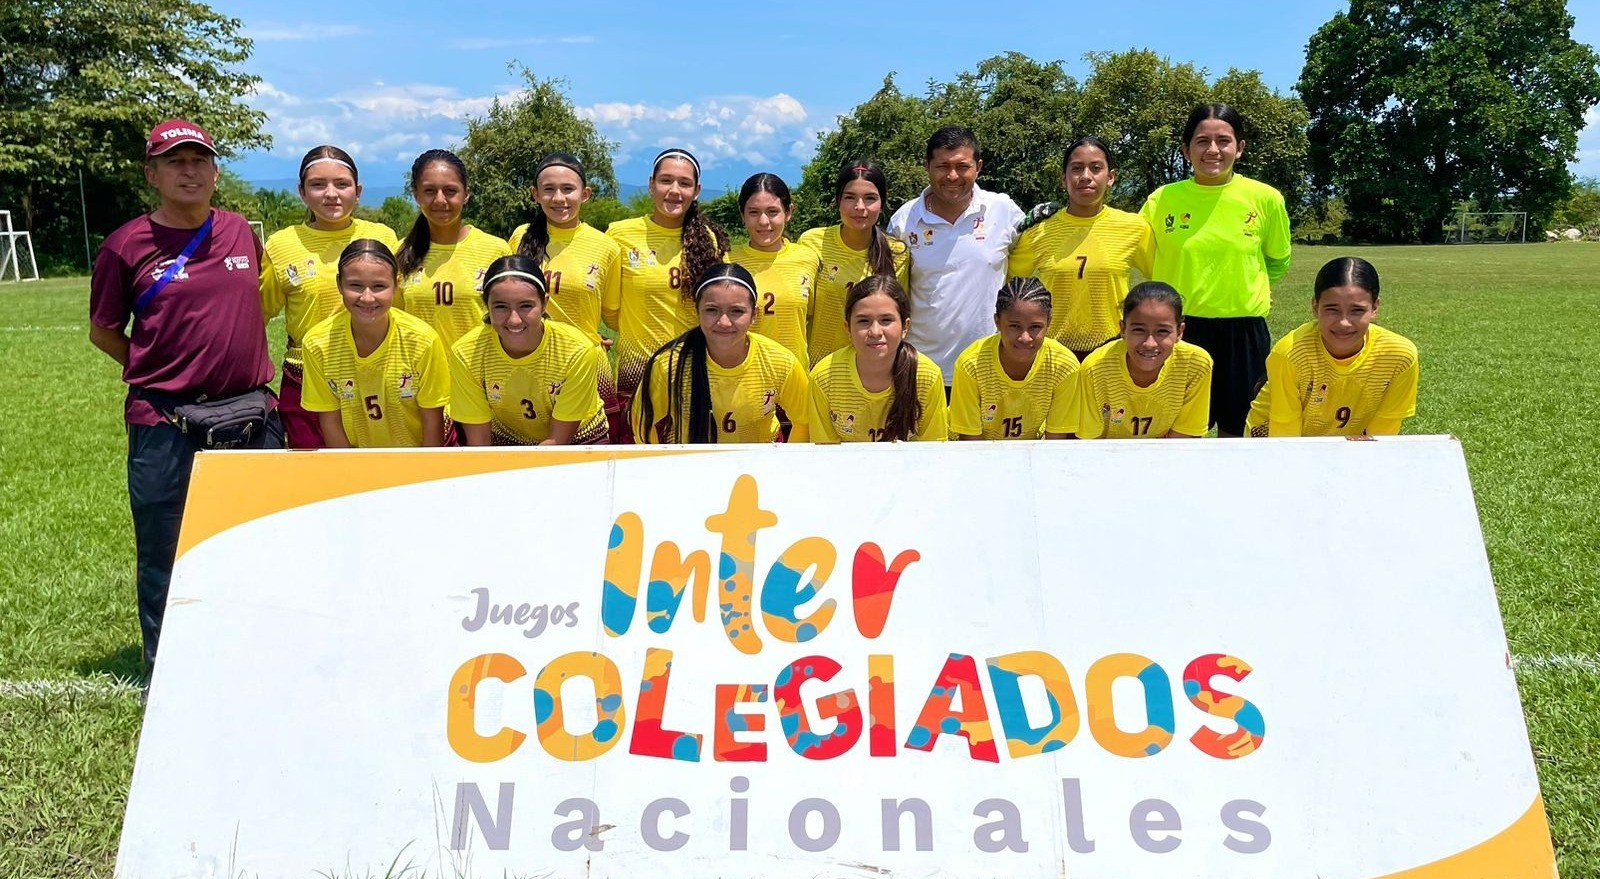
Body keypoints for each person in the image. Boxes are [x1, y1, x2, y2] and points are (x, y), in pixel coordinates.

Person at [88, 118, 281, 669]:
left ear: (216, 172)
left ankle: (256, 652)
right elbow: (103, 330)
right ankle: (169, 668)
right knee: (166, 552)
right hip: (165, 421)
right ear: (153, 173)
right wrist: (159, 373)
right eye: (176, 162)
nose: (189, 171)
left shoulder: (242, 231)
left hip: (251, 413)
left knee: (260, 541)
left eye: (199, 161)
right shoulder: (125, 246)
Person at [1139, 103, 1290, 437]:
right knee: (1176, 432)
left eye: (1224, 140)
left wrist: (1253, 290)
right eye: (1201, 141)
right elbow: (1138, 253)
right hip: (1180, 333)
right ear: (1185, 149)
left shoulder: (1266, 199)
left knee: (1240, 432)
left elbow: (1278, 259)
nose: (1213, 150)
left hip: (1245, 334)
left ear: (1240, 147)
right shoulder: (1161, 200)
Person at [260, 145, 399, 449]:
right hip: (305, 376)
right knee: (317, 475)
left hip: (374, 374)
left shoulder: (383, 238)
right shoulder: (282, 245)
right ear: (302, 192)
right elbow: (259, 314)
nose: (331, 194)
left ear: (358, 190)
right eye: (318, 185)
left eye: (342, 184)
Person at [887, 126, 1025, 389]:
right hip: (922, 368)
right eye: (942, 166)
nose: (952, 176)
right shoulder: (905, 221)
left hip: (988, 364)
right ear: (927, 166)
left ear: (978, 166)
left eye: (962, 166)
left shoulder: (1003, 210)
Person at [606, 148, 729, 440]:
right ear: (651, 185)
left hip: (695, 371)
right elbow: (609, 308)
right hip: (638, 374)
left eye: (685, 183)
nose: (675, 191)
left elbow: (719, 305)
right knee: (636, 464)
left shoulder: (710, 240)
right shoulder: (620, 235)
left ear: (697, 190)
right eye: (666, 181)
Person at [506, 153, 625, 436]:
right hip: (529, 364)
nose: (558, 198)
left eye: (568, 189)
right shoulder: (519, 238)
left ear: (585, 194)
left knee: (594, 451)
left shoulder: (606, 247)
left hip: (586, 366)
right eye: (549, 189)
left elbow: (610, 313)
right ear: (535, 194)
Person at [1009, 136, 1154, 361]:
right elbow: (1007, 284)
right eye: (1076, 169)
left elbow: (1163, 278)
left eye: (1096, 168)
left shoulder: (1135, 228)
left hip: (1113, 351)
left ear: (1111, 177)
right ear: (1063, 179)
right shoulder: (1038, 231)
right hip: (1053, 353)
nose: (1085, 177)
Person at [629, 263, 809, 443]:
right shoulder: (670, 365)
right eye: (712, 310)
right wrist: (664, 467)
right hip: (693, 465)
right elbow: (641, 421)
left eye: (736, 311)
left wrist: (782, 465)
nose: (724, 322)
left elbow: (804, 420)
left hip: (758, 466)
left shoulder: (780, 362)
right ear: (697, 311)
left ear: (754, 315)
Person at [1245, 256, 1419, 437]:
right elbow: (1286, 436)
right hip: (1271, 438)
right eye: (1332, 309)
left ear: (1375, 307)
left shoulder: (1399, 357)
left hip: (1342, 444)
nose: (1344, 323)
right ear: (1315, 306)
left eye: (1357, 310)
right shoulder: (1290, 353)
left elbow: (1382, 435)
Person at [301, 239, 451, 447]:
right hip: (358, 461)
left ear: (396, 285)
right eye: (355, 285)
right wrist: (353, 473)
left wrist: (423, 474)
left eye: (379, 286)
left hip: (417, 456)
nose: (368, 298)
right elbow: (330, 421)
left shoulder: (422, 341)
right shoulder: (317, 344)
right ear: (339, 284)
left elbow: (432, 420)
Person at [449, 255, 609, 445]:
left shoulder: (576, 350)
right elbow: (480, 444)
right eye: (501, 307)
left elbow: (558, 441)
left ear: (544, 304)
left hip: (579, 439)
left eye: (526, 306)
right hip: (507, 439)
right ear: (487, 306)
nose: (514, 320)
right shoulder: (466, 353)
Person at [809, 275, 948, 442]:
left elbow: (932, 452)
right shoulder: (824, 377)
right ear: (848, 328)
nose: (875, 331)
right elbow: (825, 451)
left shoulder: (927, 376)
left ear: (905, 326)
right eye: (863, 321)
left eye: (886, 320)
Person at [395, 149, 512, 349]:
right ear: (416, 195)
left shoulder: (496, 250)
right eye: (430, 191)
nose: (440, 200)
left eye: (450, 191)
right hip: (421, 374)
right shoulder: (400, 253)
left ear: (466, 194)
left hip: (477, 374)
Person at [798, 159, 910, 368]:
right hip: (818, 370)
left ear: (882, 203)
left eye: (870, 198)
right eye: (850, 198)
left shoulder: (898, 253)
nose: (859, 207)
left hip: (873, 372)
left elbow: (897, 319)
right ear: (837, 201)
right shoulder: (812, 242)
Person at [1076, 282, 1212, 439]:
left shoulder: (1196, 364)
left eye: (1162, 331)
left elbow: (1183, 441)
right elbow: (1091, 444)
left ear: (1180, 332)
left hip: (1166, 458)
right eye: (1139, 330)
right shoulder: (1094, 368)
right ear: (1123, 329)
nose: (1150, 343)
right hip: (1108, 457)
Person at [949, 278, 1080, 440]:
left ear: (1049, 323)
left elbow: (1055, 441)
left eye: (1035, 327)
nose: (1025, 338)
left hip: (1031, 453)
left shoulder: (1064, 365)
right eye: (1014, 326)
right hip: (978, 453)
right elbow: (970, 443)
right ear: (997, 322)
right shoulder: (971, 364)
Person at [729, 173, 814, 365]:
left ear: (789, 212)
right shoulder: (726, 260)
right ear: (742, 214)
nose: (763, 221)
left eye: (773, 212)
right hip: (744, 377)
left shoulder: (808, 258)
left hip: (795, 379)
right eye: (753, 212)